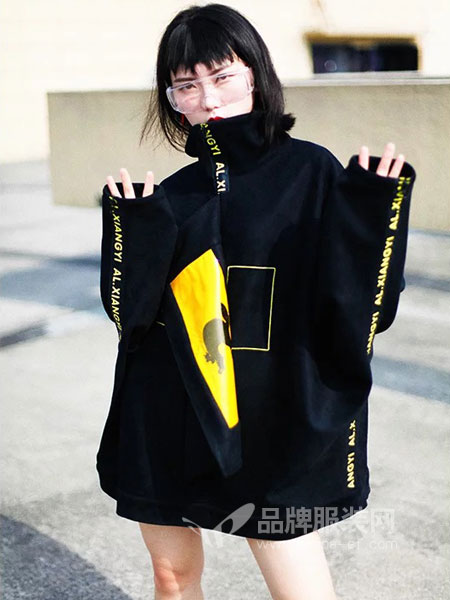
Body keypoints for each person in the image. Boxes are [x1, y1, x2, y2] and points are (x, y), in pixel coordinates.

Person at [97, 4, 416, 599]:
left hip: (272, 412)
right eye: (186, 85)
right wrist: (130, 231)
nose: (208, 99)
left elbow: (366, 308)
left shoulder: (310, 171)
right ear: (172, 98)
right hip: (168, 408)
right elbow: (130, 320)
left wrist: (373, 215)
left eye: (222, 77)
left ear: (254, 75)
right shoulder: (173, 193)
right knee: (171, 577)